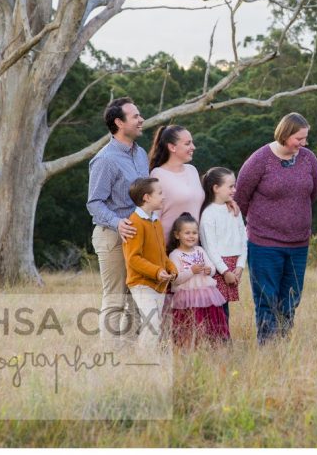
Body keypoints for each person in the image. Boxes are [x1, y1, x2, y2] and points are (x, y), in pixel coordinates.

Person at [234, 113, 317, 345]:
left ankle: (283, 345)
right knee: (266, 299)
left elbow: (314, 194)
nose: (303, 144)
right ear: (284, 134)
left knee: (291, 299)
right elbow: (240, 198)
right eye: (299, 139)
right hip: (264, 244)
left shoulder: (308, 159)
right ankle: (267, 348)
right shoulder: (260, 160)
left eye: (305, 139)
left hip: (298, 244)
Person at [87, 96, 149, 344]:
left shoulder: (141, 154)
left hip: (139, 234)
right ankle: (110, 354)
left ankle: (131, 351)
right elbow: (94, 202)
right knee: (115, 298)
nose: (141, 119)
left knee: (138, 296)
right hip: (112, 235)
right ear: (119, 123)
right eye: (135, 116)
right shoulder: (105, 159)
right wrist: (117, 223)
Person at [121, 177, 178, 351]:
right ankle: (145, 363)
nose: (163, 197)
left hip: (158, 283)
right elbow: (133, 258)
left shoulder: (156, 222)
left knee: (156, 323)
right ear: (146, 197)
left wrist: (171, 268)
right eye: (159, 193)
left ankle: (148, 358)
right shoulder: (135, 223)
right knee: (151, 322)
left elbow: (161, 254)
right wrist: (156, 271)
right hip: (142, 283)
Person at [167, 213, 229, 346]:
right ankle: (189, 346)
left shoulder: (200, 250)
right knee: (190, 323)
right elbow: (175, 279)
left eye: (194, 233)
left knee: (209, 322)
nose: (191, 236)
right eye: (187, 233)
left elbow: (212, 267)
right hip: (186, 297)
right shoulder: (174, 255)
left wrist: (209, 270)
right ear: (177, 235)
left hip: (206, 294)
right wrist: (191, 271)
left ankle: (211, 344)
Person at [198, 167, 247, 328]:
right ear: (216, 188)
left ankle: (224, 342)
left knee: (225, 308)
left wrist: (240, 266)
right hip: (219, 268)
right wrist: (225, 271)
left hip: (234, 265)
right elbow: (209, 247)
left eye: (235, 186)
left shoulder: (234, 210)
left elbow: (243, 239)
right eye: (230, 186)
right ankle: (219, 343)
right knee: (216, 308)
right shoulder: (208, 214)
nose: (235, 190)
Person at [148, 124, 204, 245]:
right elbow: (153, 217)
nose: (193, 147)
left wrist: (226, 202)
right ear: (172, 147)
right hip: (169, 249)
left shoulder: (192, 170)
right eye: (187, 143)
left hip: (194, 249)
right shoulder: (158, 175)